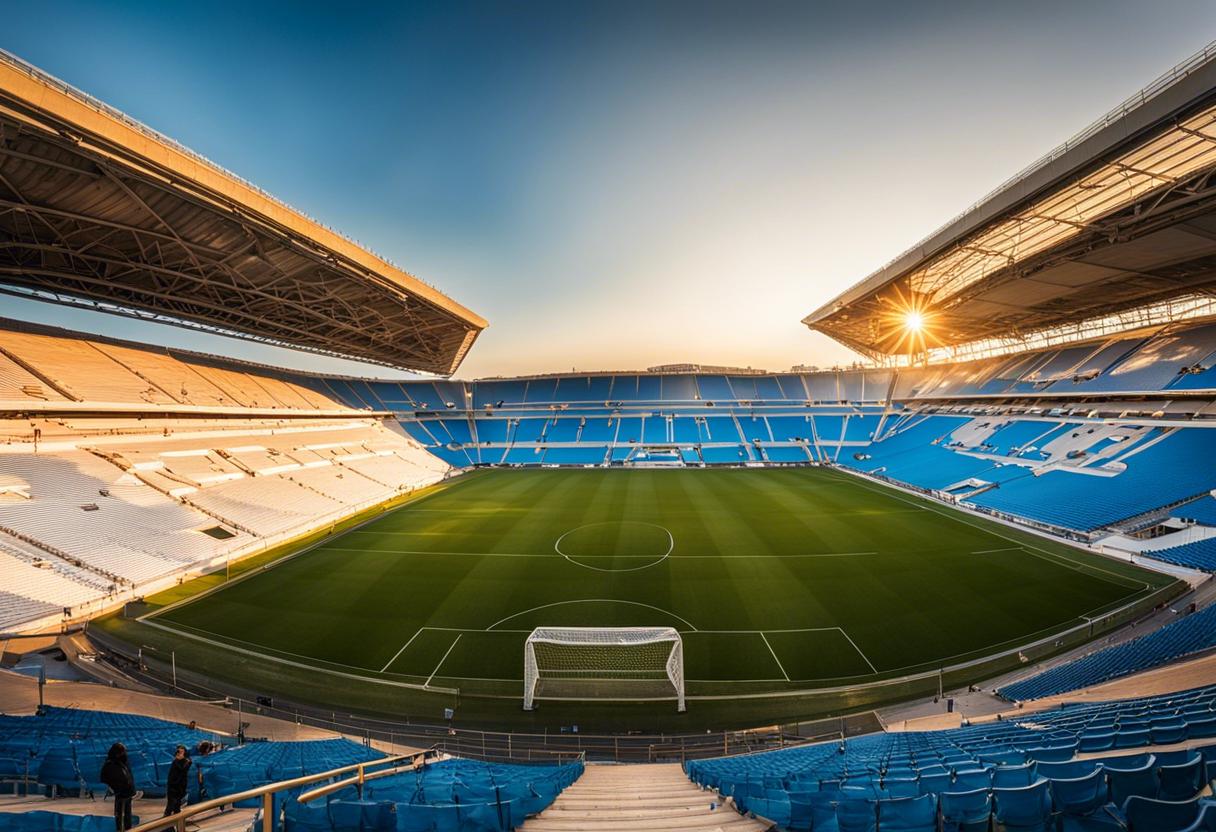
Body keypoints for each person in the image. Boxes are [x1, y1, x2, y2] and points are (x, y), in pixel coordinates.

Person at [100, 742, 135, 831]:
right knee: (120, 814)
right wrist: (114, 788)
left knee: (127, 814)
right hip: (121, 793)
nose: (125, 753)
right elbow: (106, 778)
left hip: (127, 792)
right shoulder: (111, 764)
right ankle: (120, 829)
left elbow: (128, 777)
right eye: (123, 751)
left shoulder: (123, 762)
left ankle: (127, 829)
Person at [164, 745, 191, 817]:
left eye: (182, 751)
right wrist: (177, 760)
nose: (179, 753)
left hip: (181, 784)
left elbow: (182, 769)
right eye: (179, 751)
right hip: (172, 784)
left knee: (178, 801)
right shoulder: (175, 761)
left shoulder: (187, 761)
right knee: (171, 802)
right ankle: (167, 816)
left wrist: (180, 759)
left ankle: (176, 814)